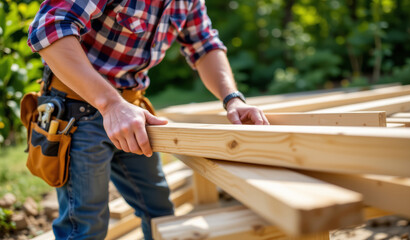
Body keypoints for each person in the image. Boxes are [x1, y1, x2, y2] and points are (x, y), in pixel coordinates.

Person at [27, 0, 269, 239]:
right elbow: (49, 28)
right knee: (85, 227)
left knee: (160, 213)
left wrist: (232, 98)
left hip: (132, 113)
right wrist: (111, 104)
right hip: (77, 111)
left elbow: (204, 45)